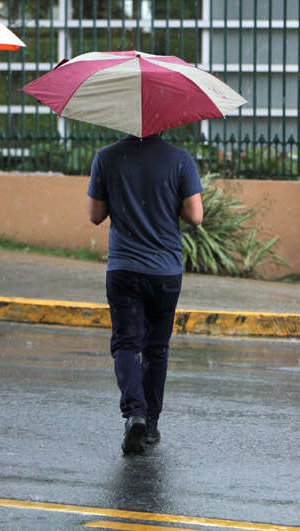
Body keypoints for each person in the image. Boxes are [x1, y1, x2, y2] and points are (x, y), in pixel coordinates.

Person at [87, 133, 203, 456]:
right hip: (165, 272)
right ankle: (150, 424)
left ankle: (134, 413)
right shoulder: (180, 160)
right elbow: (195, 215)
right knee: (156, 348)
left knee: (126, 344)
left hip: (124, 269)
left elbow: (95, 215)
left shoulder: (106, 157)